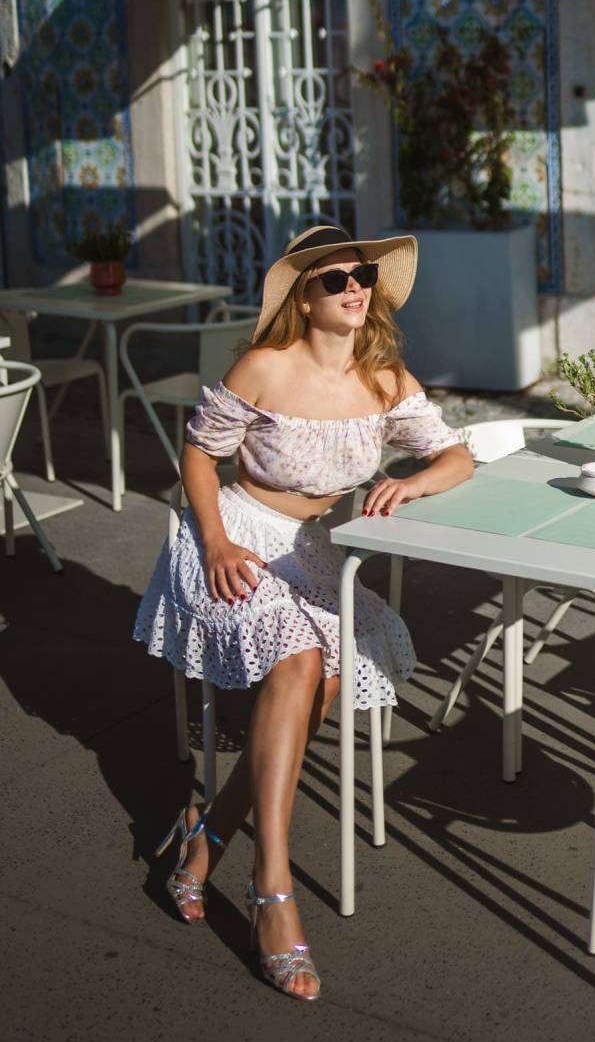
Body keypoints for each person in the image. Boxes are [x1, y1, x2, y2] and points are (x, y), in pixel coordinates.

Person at [134, 224, 475, 1002]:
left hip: (312, 550)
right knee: (302, 660)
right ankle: (272, 885)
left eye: (363, 277)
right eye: (335, 279)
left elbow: (455, 456)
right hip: (235, 536)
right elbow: (199, 454)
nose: (354, 287)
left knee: (326, 675)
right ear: (303, 298)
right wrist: (215, 543)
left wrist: (412, 482)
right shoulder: (265, 366)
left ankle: (208, 836)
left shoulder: (384, 378)